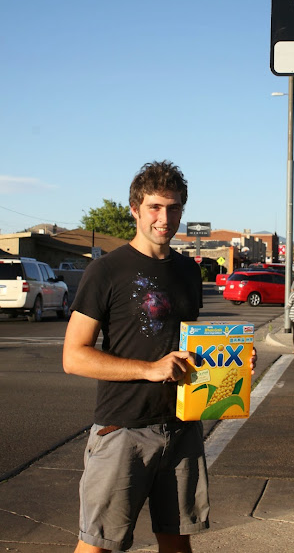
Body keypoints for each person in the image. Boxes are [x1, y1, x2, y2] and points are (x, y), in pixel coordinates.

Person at [63, 160, 256, 553]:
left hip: (183, 426)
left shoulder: (188, 271)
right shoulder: (106, 271)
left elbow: (187, 346)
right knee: (98, 544)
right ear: (135, 209)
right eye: (154, 207)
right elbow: (74, 356)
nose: (165, 218)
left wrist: (231, 363)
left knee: (177, 541)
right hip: (123, 429)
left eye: (173, 208)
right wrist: (150, 370)